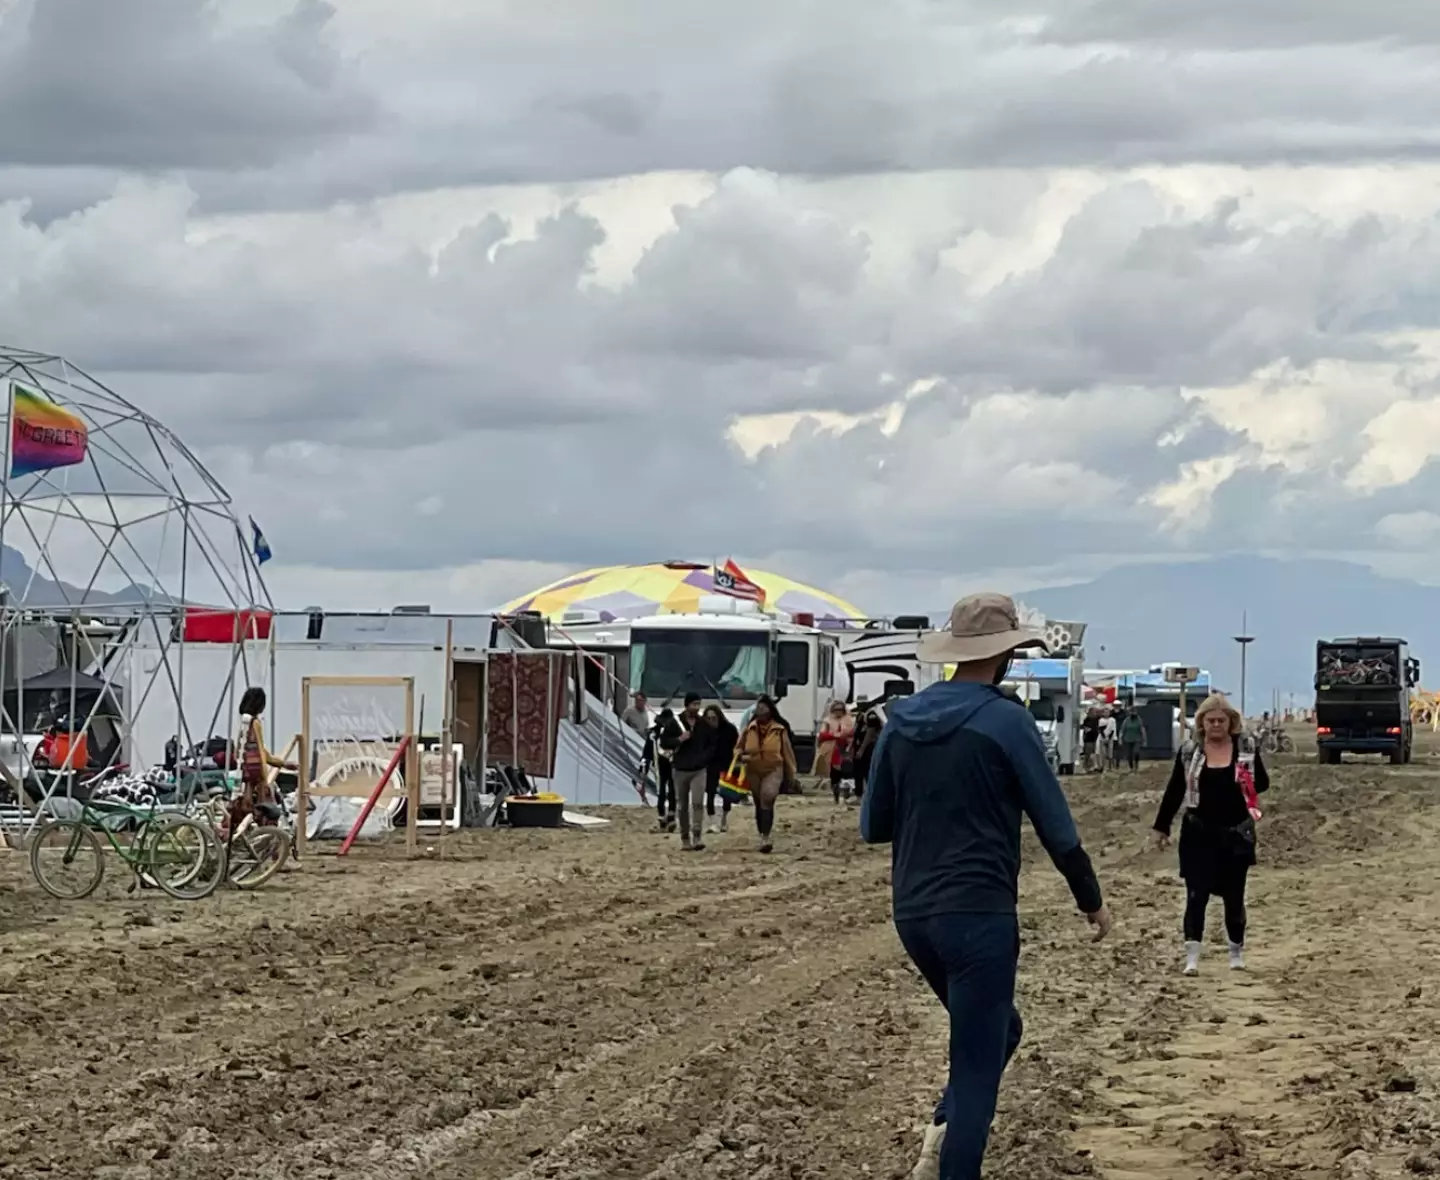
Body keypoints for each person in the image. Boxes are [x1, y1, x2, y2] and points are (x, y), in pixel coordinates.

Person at [860, 592, 1110, 1180]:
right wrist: (1091, 900)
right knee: (976, 1067)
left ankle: (938, 1140)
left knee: (1002, 1031)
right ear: (1008, 654)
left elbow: (872, 826)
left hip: (914, 913)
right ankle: (953, 1158)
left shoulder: (900, 721)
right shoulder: (1006, 720)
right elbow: (1056, 825)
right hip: (980, 914)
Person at [1151, 692, 1268, 976]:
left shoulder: (1246, 747)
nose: (1216, 725)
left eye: (1221, 720)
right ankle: (1192, 956)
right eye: (1210, 720)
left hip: (1235, 834)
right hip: (1197, 834)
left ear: (1231, 722)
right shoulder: (1190, 750)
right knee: (1196, 895)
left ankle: (1235, 952)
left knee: (1234, 896)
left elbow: (1263, 783)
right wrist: (1161, 826)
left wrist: (1247, 778)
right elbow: (1175, 789)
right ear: (1201, 722)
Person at [736, 694, 796, 853]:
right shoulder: (749, 728)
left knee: (768, 797)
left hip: (773, 768)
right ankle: (761, 833)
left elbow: (787, 752)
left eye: (763, 707)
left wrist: (791, 774)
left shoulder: (779, 729)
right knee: (758, 802)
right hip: (753, 769)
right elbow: (738, 747)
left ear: (770, 710)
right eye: (758, 708)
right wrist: (740, 756)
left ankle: (766, 837)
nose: (760, 710)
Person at [232, 686, 296, 830]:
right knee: (267, 811)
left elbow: (240, 751)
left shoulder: (244, 722)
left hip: (244, 775)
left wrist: (282, 764)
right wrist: (277, 768)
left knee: (246, 808)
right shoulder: (255, 724)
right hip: (256, 776)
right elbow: (261, 753)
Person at [664, 693, 716, 851]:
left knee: (698, 803)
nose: (696, 707)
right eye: (693, 704)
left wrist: (704, 758)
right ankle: (685, 837)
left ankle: (697, 835)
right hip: (680, 769)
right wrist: (679, 739)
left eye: (698, 704)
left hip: (699, 770)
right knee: (682, 805)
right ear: (686, 705)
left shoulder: (703, 724)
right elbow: (664, 741)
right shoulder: (675, 723)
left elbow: (712, 744)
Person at [702, 704, 740, 833]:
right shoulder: (704, 730)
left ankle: (724, 819)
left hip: (726, 765)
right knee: (710, 793)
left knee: (726, 794)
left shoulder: (729, 729)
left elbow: (736, 745)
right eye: (709, 718)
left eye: (714, 717)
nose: (711, 720)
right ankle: (712, 821)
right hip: (710, 765)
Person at [819, 700, 855, 803]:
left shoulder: (849, 720)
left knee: (847, 773)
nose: (838, 712)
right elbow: (822, 735)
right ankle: (836, 796)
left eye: (840, 709)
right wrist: (834, 735)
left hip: (847, 749)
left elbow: (853, 732)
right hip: (832, 750)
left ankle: (847, 794)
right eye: (836, 710)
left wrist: (846, 735)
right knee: (834, 775)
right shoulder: (828, 721)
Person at [653, 707, 679, 831]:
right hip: (665, 761)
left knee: (667, 787)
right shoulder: (657, 731)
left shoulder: (658, 731)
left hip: (667, 761)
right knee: (666, 787)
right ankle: (666, 814)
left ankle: (668, 814)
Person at [852, 710, 883, 803]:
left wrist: (861, 750)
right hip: (859, 747)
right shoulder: (861, 715)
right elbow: (856, 733)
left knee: (867, 772)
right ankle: (859, 795)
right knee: (858, 772)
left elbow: (870, 735)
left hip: (869, 748)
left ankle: (870, 795)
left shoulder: (872, 715)